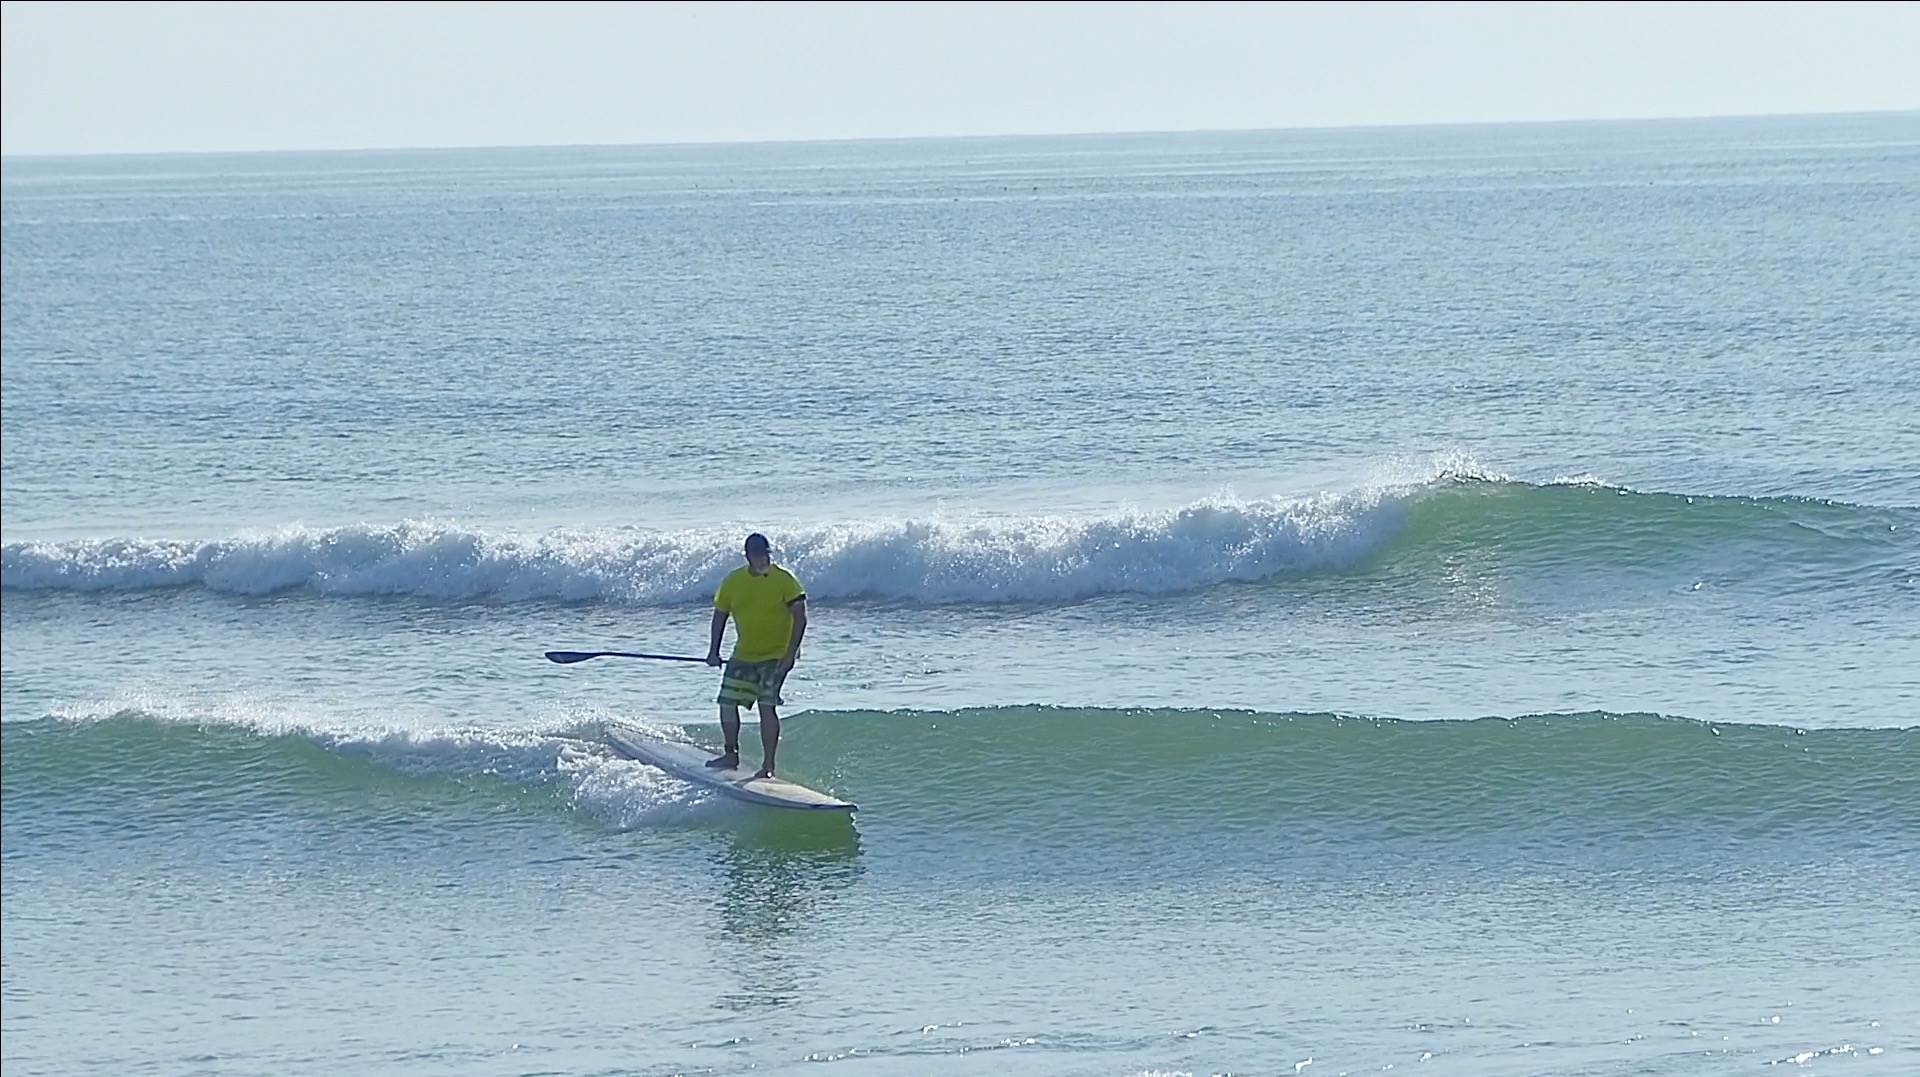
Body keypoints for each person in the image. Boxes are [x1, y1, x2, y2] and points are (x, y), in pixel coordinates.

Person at [705, 532, 807, 778]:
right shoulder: (733, 581)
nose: (763, 560)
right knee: (727, 703)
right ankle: (730, 754)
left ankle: (768, 766)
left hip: (777, 656)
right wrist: (713, 651)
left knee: (766, 705)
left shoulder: (784, 580)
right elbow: (720, 615)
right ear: (748, 556)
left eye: (766, 555)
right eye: (758, 556)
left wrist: (790, 654)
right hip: (744, 654)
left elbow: (800, 617)